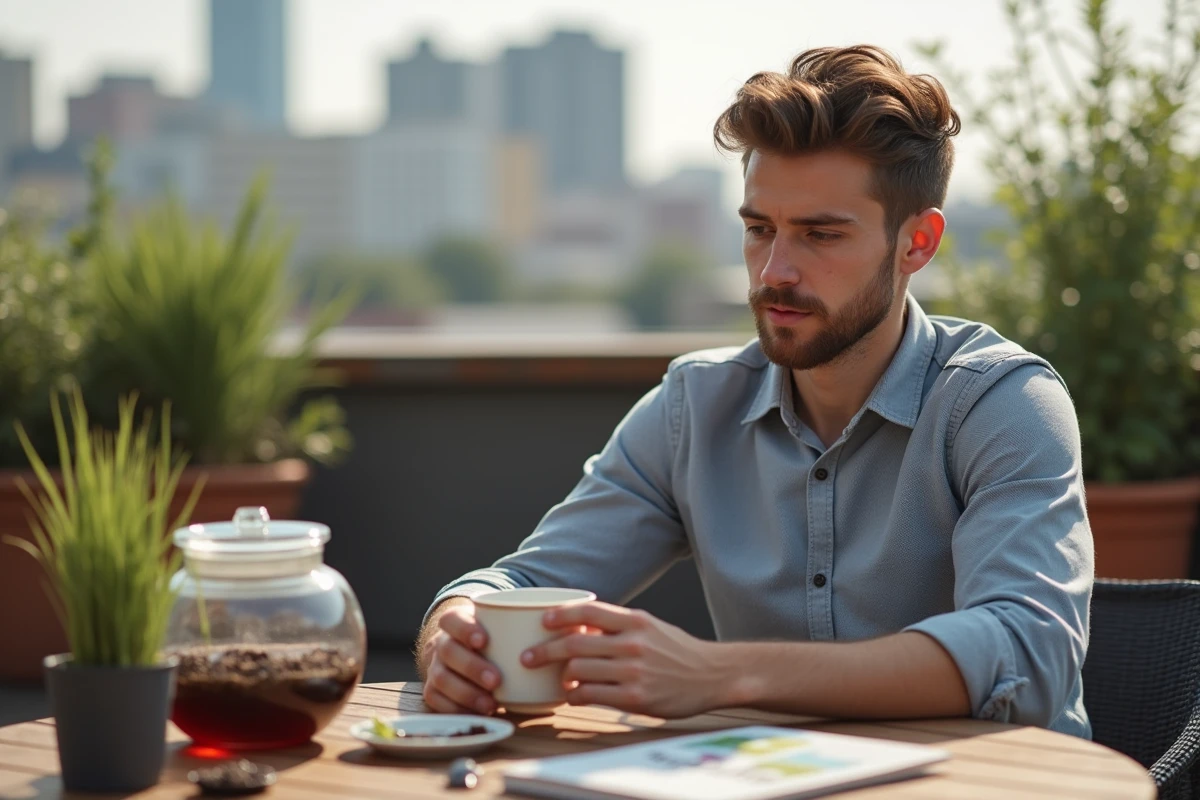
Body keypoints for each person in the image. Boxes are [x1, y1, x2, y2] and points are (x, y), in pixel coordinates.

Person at [415, 44, 1093, 738]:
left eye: (820, 235)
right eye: (758, 229)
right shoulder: (693, 409)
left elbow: (1028, 657)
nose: (775, 271)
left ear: (916, 242)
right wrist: (453, 633)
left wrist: (723, 674)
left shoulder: (1000, 404)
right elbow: (518, 586)